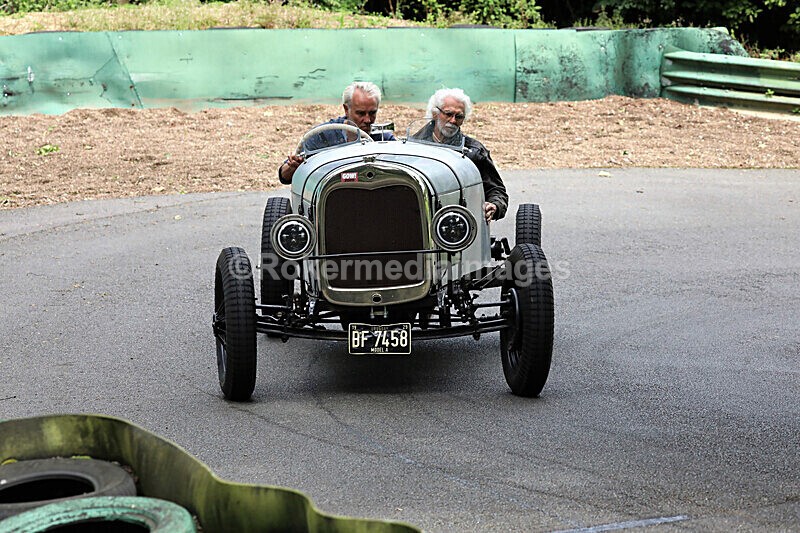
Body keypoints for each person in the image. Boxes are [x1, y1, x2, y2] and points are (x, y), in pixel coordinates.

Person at [415, 88, 508, 223]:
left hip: (459, 223)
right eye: (448, 114)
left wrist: (494, 205)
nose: (453, 121)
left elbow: (496, 189)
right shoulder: (412, 147)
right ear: (435, 114)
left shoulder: (474, 151)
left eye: (459, 116)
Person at [278, 81, 395, 184]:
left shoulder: (383, 139)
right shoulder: (322, 135)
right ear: (346, 109)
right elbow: (284, 177)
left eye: (372, 113)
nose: (368, 120)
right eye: (360, 113)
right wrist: (293, 166)